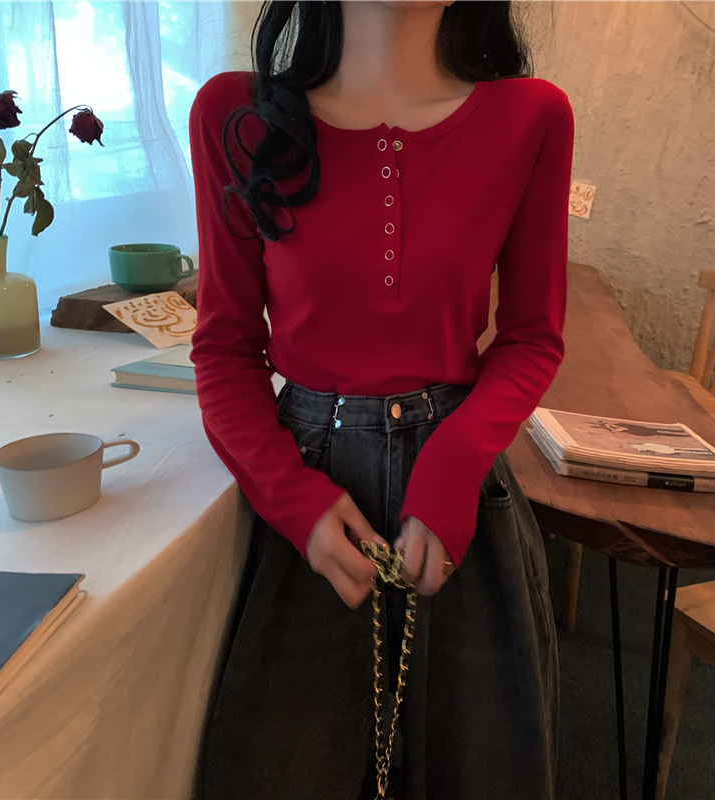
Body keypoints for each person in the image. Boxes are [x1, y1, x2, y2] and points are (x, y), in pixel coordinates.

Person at [188, 2, 575, 798]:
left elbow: (532, 335)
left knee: (484, 771)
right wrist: (292, 499)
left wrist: (456, 464)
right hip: (310, 499)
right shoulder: (236, 116)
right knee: (280, 770)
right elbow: (225, 350)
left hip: (460, 500)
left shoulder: (531, 117)